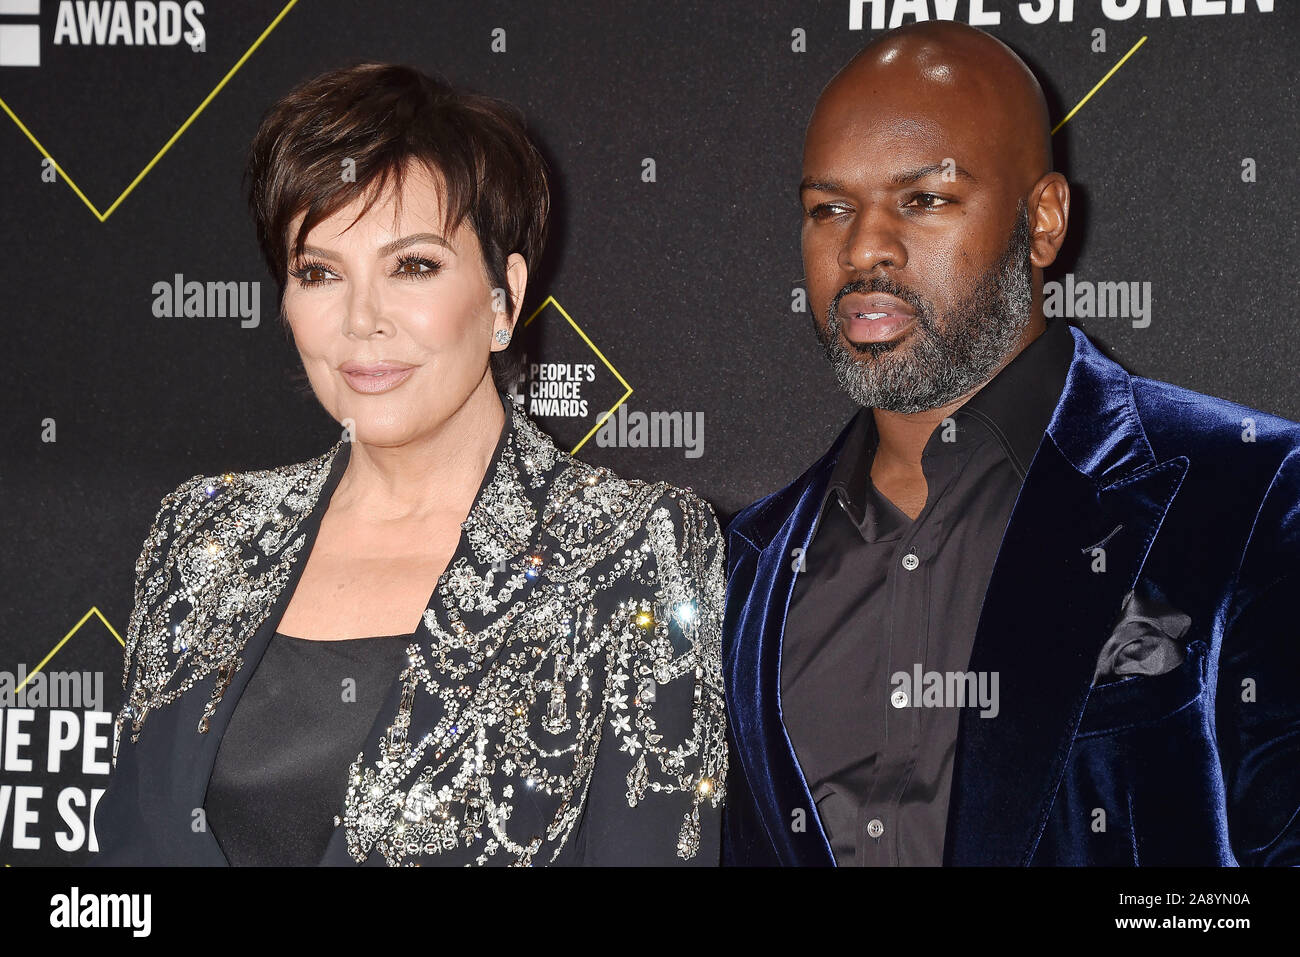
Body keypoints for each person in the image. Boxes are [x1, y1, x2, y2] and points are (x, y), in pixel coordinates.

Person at [92, 62, 728, 866]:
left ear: (504, 297)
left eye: (413, 266)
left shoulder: (636, 549)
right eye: (320, 272)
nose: (363, 321)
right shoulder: (203, 536)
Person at [720, 21, 1300, 866]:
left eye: (924, 199)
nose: (863, 246)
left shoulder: (1248, 492)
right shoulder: (751, 562)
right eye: (829, 209)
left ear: (1043, 220)